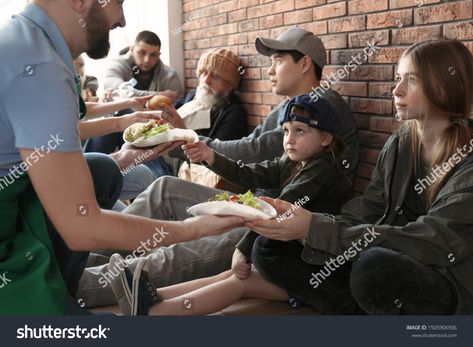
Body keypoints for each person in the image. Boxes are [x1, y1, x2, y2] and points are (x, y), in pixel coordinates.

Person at [77, 27, 360, 308]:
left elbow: (255, 152)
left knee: (175, 252)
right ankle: (80, 253)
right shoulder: (286, 110)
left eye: (278, 60)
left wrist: (189, 138)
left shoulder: (318, 110)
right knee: (164, 188)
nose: (269, 70)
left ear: (305, 64)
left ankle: (75, 285)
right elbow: (255, 152)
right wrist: (198, 147)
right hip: (252, 203)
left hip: (274, 228)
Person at [0, 0, 242, 315]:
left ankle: (67, 283)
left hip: (18, 209)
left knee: (103, 168)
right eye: (119, 3)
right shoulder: (41, 68)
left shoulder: (25, 39)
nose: (123, 20)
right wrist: (195, 228)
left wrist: (124, 147)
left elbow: (48, 132)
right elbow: (81, 227)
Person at [242, 38, 473, 315]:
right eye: (398, 78)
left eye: (410, 81)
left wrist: (316, 230)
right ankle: (360, 310)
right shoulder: (401, 142)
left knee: (373, 268)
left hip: (441, 282)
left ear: (444, 86)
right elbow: (371, 206)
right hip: (381, 256)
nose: (396, 90)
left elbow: (430, 241)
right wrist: (311, 226)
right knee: (269, 248)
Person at [108, 94, 353, 315]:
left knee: (240, 282)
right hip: (285, 257)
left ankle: (152, 314)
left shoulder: (322, 169)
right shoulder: (294, 162)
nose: (289, 139)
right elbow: (250, 174)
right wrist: (210, 156)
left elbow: (282, 207)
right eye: (286, 131)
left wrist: (243, 249)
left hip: (312, 274)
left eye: (299, 131)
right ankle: (149, 297)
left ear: (325, 138)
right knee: (228, 274)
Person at [147, 47, 249, 178]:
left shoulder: (233, 113)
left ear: (230, 85)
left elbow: (218, 157)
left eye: (216, 76)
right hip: (165, 157)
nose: (206, 80)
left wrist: (182, 130)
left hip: (186, 171)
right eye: (204, 73)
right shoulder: (193, 96)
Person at [103, 30, 183, 100]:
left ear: (158, 55)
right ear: (132, 50)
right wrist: (160, 95)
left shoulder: (170, 75)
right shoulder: (116, 66)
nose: (146, 60)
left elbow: (177, 107)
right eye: (142, 53)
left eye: (153, 55)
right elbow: (119, 93)